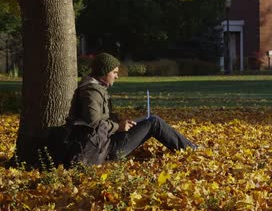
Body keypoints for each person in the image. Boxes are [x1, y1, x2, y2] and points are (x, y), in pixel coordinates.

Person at [65, 53, 197, 165]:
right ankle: (192, 150)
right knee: (154, 121)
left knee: (150, 119)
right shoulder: (91, 92)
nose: (117, 76)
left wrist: (122, 123)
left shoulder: (97, 88)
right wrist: (118, 126)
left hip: (107, 140)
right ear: (103, 72)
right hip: (106, 148)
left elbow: (102, 119)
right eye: (114, 72)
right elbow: (94, 123)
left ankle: (189, 148)